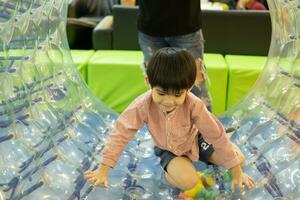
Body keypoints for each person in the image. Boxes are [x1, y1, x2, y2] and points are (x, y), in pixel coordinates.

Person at [84, 48, 255, 199]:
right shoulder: (142, 105)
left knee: (239, 159)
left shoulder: (194, 104)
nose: (168, 101)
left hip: (197, 139)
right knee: (190, 181)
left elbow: (216, 135)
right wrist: (103, 170)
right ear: (148, 83)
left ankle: (211, 167)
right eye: (162, 93)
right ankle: (173, 174)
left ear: (188, 88)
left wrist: (236, 171)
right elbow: (120, 133)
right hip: (169, 150)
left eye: (177, 94)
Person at [135, 0, 212, 111]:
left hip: (186, 26)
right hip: (151, 27)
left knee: (196, 83)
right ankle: (161, 126)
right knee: (157, 86)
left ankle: (206, 127)